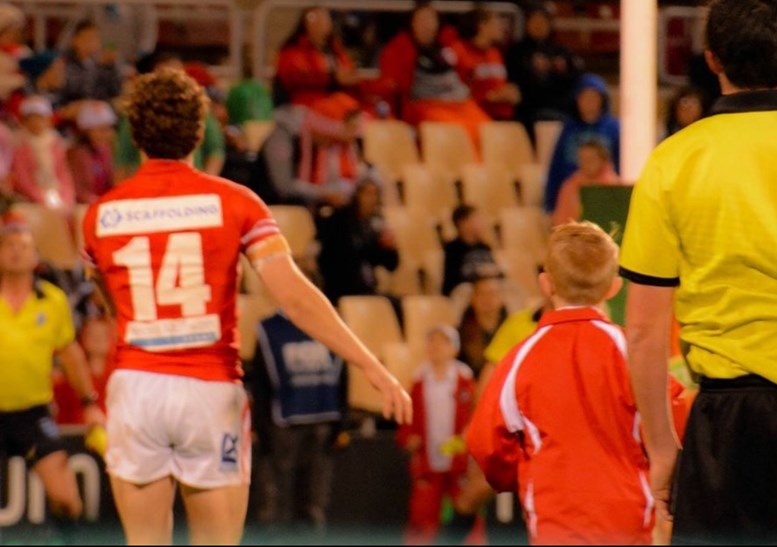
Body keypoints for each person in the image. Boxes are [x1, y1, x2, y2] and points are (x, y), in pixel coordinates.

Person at [81, 68, 410, 545]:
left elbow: (105, 296)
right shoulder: (236, 203)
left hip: (136, 386)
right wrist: (371, 364)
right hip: (209, 388)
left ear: (135, 132)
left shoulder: (100, 215)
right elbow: (294, 296)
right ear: (200, 131)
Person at [620, 0, 777, 544]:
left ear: (711, 58)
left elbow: (644, 332)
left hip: (731, 425)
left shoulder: (673, 161)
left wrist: (663, 446)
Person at [468, 222, 687, 544]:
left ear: (546, 284)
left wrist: (520, 473)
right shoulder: (631, 352)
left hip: (552, 519)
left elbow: (485, 442)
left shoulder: (521, 357)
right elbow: (673, 416)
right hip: (626, 519)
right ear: (614, 287)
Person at [0, 220, 106, 532]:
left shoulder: (53, 300)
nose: (16, 252)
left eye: (23, 246)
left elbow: (70, 355)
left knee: (67, 499)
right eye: (8, 246)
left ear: (35, 257)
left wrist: (90, 403)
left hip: (33, 414)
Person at [249, 310, 346, 533]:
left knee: (313, 504)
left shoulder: (331, 323)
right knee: (274, 504)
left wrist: (341, 421)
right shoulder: (270, 329)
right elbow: (261, 382)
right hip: (281, 427)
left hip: (322, 424)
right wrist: (262, 427)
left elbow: (343, 376)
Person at [397, 325, 476, 545]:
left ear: (454, 348)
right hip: (427, 460)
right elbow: (408, 416)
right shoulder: (419, 380)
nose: (436, 346)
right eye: (432, 341)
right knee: (422, 515)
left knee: (465, 513)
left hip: (458, 461)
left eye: (443, 342)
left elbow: (474, 415)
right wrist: (408, 438)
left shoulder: (464, 379)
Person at [378, 1, 490, 148]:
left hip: (459, 103)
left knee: (487, 129)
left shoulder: (449, 44)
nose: (428, 25)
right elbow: (392, 85)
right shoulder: (397, 49)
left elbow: (466, 69)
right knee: (460, 132)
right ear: (412, 24)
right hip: (426, 105)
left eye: (431, 19)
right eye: (422, 20)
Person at [113, 51, 225, 181]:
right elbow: (122, 161)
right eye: (165, 73)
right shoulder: (134, 115)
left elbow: (216, 151)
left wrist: (205, 184)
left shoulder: (197, 111)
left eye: (177, 73)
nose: (171, 82)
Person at [316, 176, 399, 305]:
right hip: (343, 290)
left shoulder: (374, 223)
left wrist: (390, 249)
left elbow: (390, 265)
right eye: (367, 194)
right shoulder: (340, 220)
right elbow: (332, 259)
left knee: (399, 304)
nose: (371, 200)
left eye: (375, 194)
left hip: (367, 290)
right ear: (357, 195)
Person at [544, 73, 620, 213]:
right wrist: (549, 203)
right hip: (571, 195)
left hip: (605, 194)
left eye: (593, 97)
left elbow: (620, 162)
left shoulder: (613, 128)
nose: (589, 102)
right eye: (584, 98)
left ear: (602, 100)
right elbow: (556, 165)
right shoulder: (569, 128)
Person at [505, 4, 583, 133]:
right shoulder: (516, 51)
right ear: (527, 24)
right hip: (530, 109)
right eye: (534, 21)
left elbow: (575, 77)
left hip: (560, 106)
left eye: (542, 21)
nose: (538, 25)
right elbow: (515, 81)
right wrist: (534, 71)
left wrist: (560, 70)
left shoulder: (561, 50)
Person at [275, 6, 359, 108]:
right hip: (306, 104)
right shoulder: (293, 50)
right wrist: (332, 78)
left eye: (324, 20)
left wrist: (349, 78)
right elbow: (297, 77)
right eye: (317, 20)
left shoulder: (334, 48)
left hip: (336, 102)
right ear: (306, 24)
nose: (321, 25)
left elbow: (348, 71)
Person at [8, 96, 75, 214]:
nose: (37, 122)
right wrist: (41, 198)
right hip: (31, 199)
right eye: (31, 118)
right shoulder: (19, 144)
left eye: (40, 118)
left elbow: (63, 173)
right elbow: (22, 178)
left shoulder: (55, 143)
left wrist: (66, 198)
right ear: (23, 120)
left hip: (56, 193)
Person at [451, 8, 520, 120]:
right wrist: (491, 97)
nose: (501, 27)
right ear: (481, 25)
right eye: (496, 22)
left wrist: (511, 94)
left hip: (502, 116)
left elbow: (498, 85)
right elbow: (453, 91)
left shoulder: (495, 53)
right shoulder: (458, 51)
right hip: (472, 115)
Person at [551, 139, 621, 226]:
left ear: (602, 160)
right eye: (582, 159)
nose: (586, 163)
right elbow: (560, 223)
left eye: (591, 159)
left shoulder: (614, 186)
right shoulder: (570, 186)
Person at [59, 20, 122, 105]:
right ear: (75, 40)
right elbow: (78, 91)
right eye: (87, 38)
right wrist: (98, 68)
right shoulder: (65, 61)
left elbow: (116, 91)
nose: (92, 42)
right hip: (73, 107)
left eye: (95, 38)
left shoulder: (103, 63)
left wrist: (111, 67)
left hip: (100, 109)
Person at [442, 204, 498, 296]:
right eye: (476, 220)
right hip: (466, 293)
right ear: (462, 224)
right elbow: (452, 280)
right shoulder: (452, 248)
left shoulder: (484, 247)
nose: (481, 223)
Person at [67, 100, 117, 204]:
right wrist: (97, 201)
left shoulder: (106, 150)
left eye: (108, 129)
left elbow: (112, 182)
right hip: (84, 206)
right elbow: (77, 189)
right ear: (86, 130)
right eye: (101, 129)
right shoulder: (75, 154)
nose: (107, 134)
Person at [458, 275, 507, 375]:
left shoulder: (512, 329)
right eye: (482, 293)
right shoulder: (460, 335)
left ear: (501, 298)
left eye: (492, 293)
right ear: (472, 299)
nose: (487, 298)